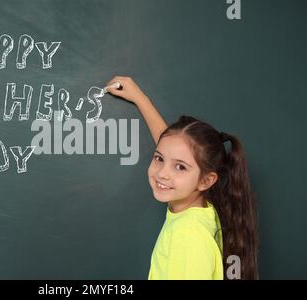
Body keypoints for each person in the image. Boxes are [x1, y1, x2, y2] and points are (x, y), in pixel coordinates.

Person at [106, 76, 259, 280]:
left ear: (206, 180)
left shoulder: (188, 236)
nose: (162, 173)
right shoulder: (202, 208)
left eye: (180, 167)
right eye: (159, 158)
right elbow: (172, 146)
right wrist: (139, 98)